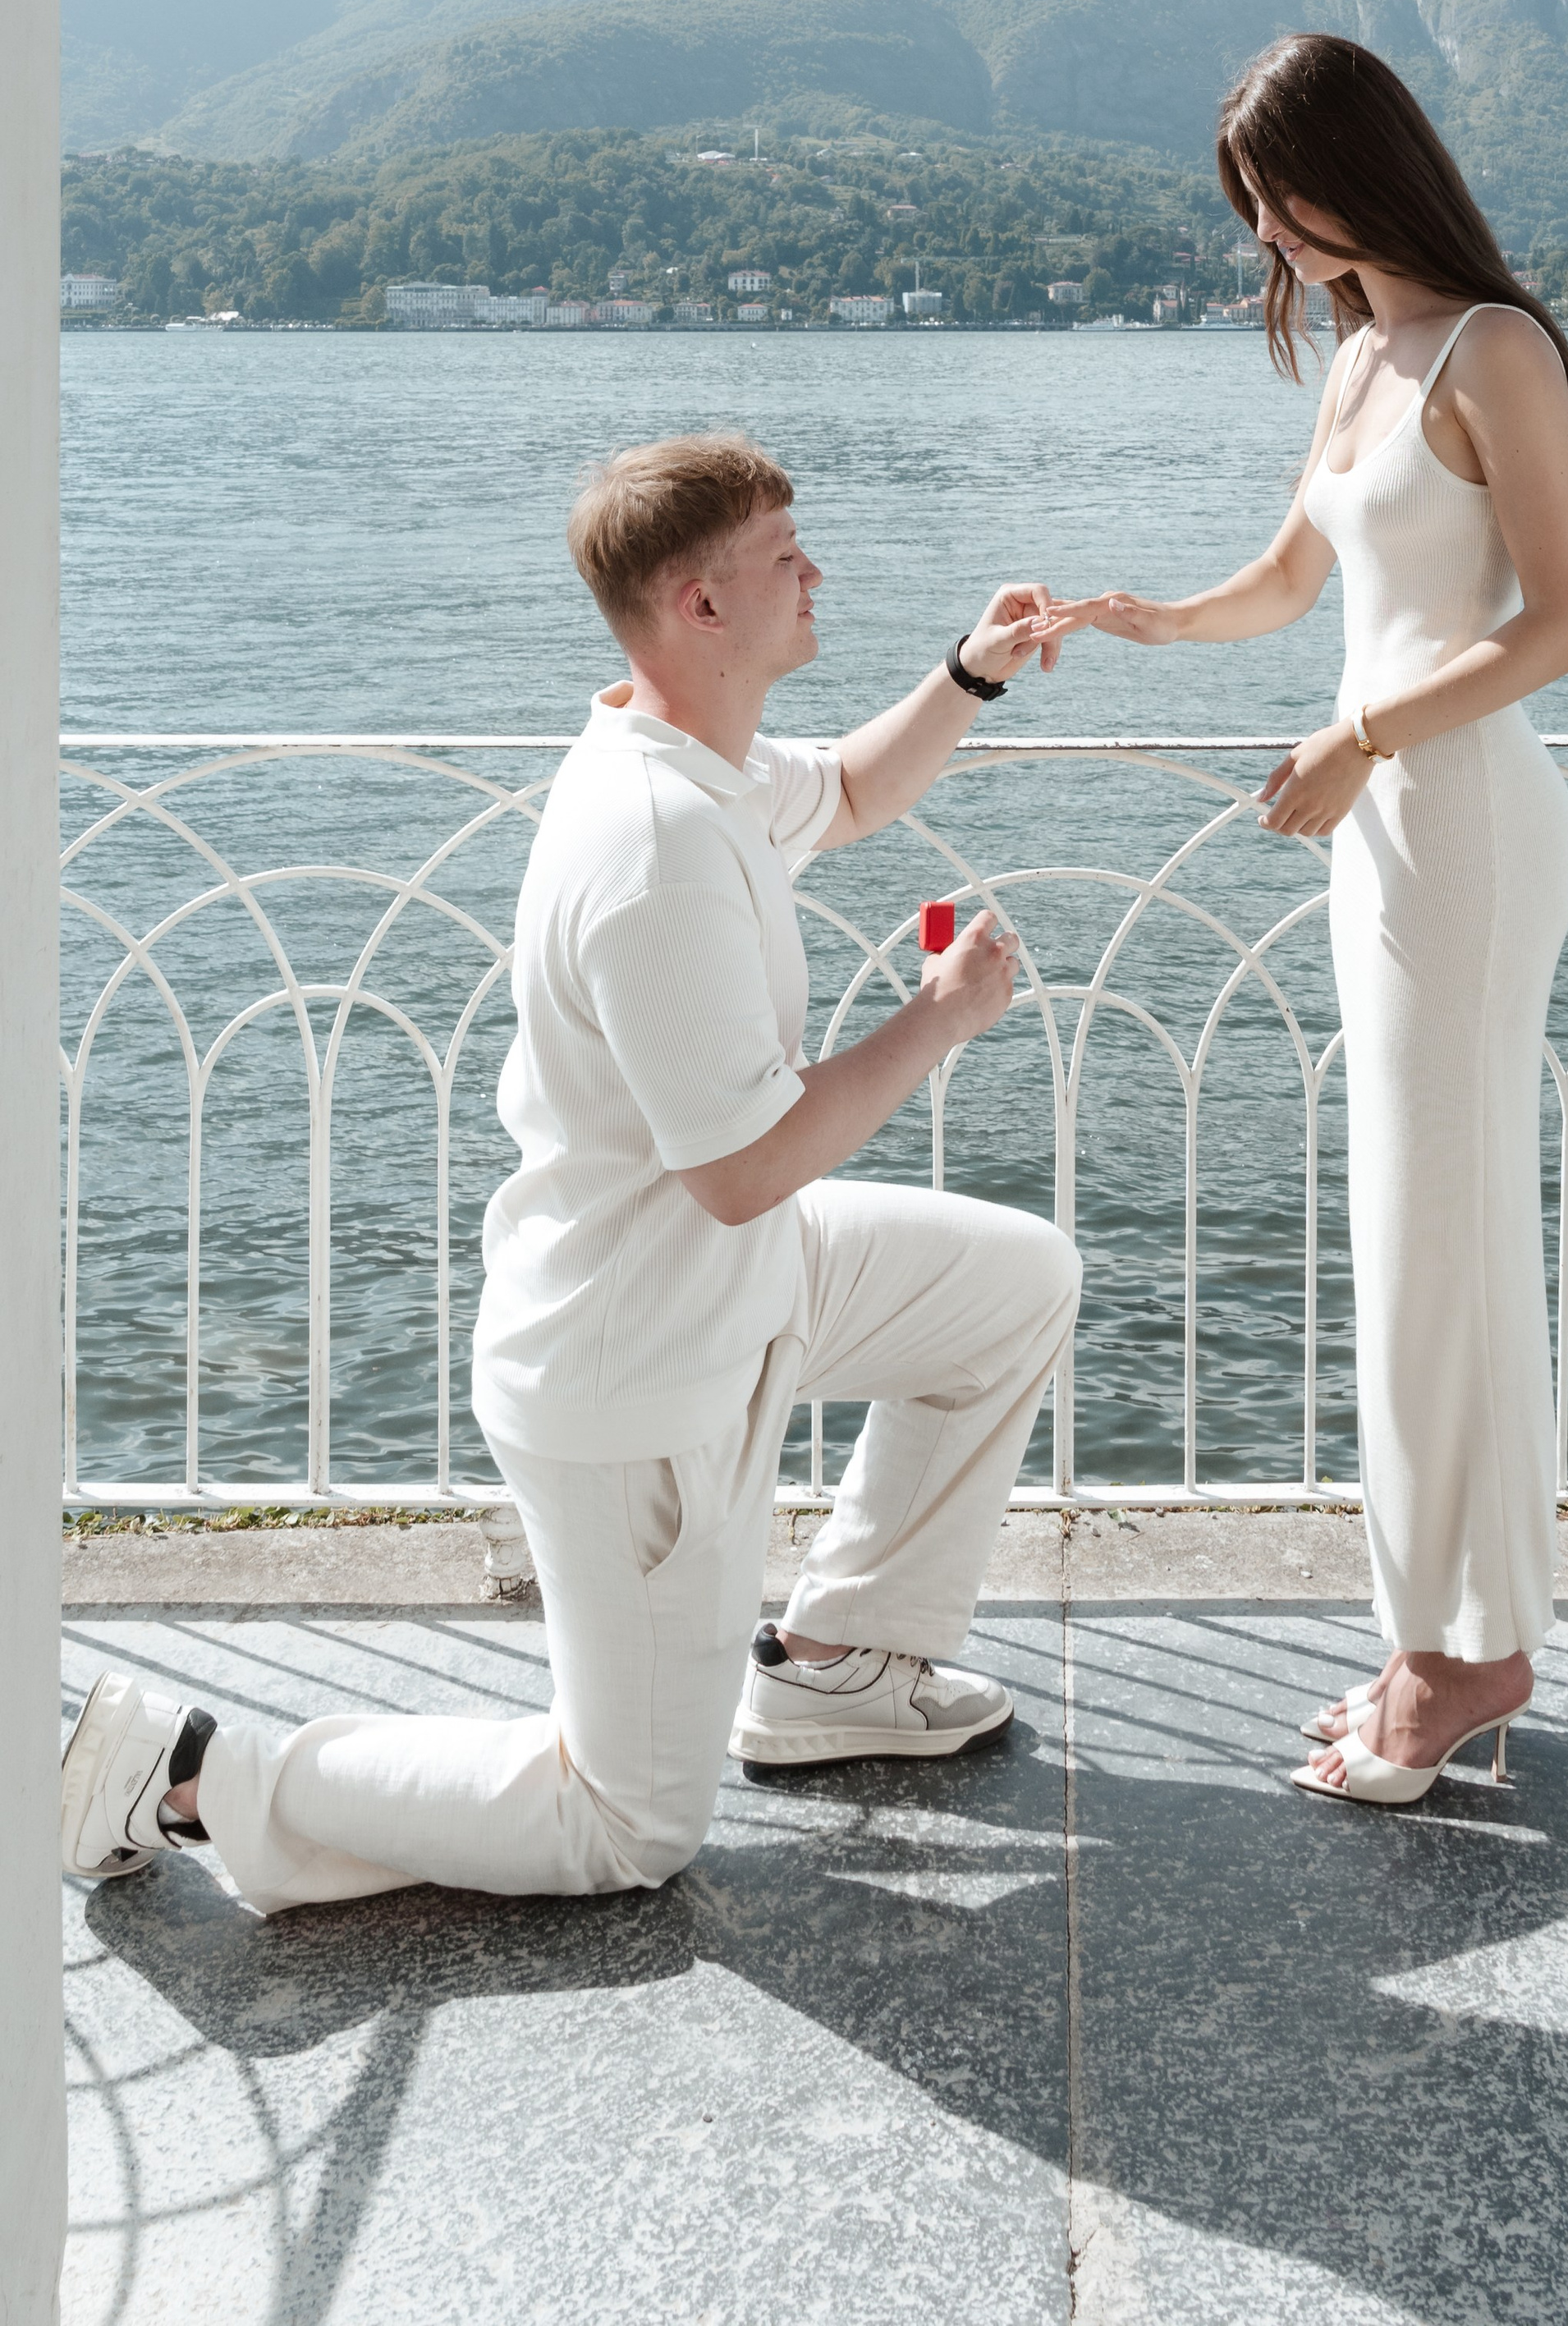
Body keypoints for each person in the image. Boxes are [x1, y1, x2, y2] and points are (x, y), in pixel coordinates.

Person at [62, 433, 1084, 1908]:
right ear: (699, 606)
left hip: (738, 1282)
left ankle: (838, 1666)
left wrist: (971, 673)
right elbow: (743, 1167)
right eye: (784, 554)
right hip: (638, 1368)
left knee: (1014, 1283)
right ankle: (190, 1774)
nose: (815, 571)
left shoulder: (692, 756)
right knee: (627, 1828)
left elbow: (854, 791)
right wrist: (939, 1019)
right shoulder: (657, 843)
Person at [1059, 32, 1568, 1808]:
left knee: (1447, 1240)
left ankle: (1473, 1650)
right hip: (1384, 833)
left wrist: (1361, 734)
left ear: (1365, 170)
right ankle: (1431, 1628)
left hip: (1459, 827)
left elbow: (1562, 623)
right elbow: (1297, 578)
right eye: (1253, 209)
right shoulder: (1366, 350)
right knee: (1406, 1236)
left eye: (1286, 198)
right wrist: (1145, 619)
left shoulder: (1491, 347)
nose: (1271, 237)